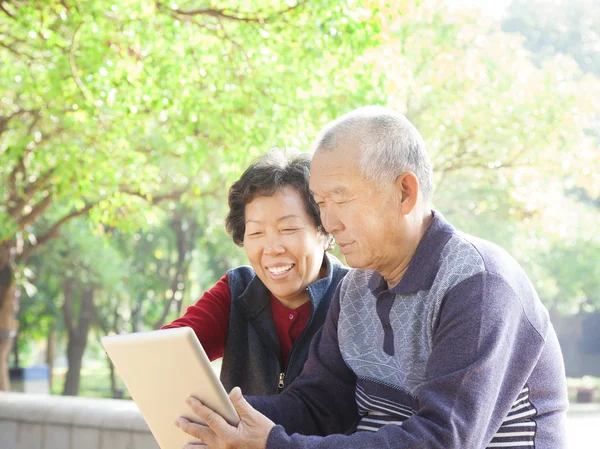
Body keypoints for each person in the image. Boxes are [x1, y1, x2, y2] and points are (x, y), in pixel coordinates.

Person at [175, 107, 568, 448]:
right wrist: (220, 412)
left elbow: (443, 440)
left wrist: (274, 444)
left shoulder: (479, 285)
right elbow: (318, 405)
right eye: (322, 203)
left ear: (404, 193)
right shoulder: (355, 288)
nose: (329, 222)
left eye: (341, 199)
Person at [163, 150, 348, 396]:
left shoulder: (354, 297)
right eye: (256, 233)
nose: (272, 248)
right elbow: (162, 356)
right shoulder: (236, 290)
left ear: (324, 232)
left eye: (289, 228)